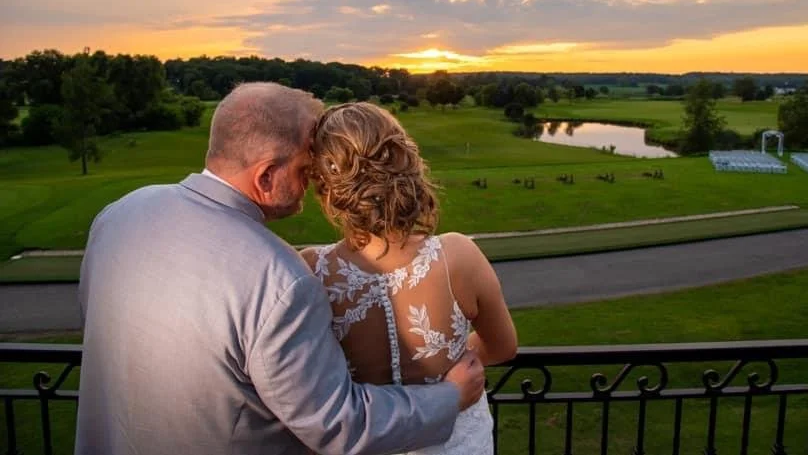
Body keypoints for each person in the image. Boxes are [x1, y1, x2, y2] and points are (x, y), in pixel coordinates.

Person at [75, 82, 485, 455]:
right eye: (307, 168)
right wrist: (450, 397)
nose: (315, 181)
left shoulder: (118, 216)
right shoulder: (280, 278)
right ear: (267, 175)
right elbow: (338, 426)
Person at [300, 102, 518, 455]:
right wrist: (449, 368)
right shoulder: (458, 255)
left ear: (326, 185)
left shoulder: (311, 268)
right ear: (406, 162)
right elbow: (503, 347)